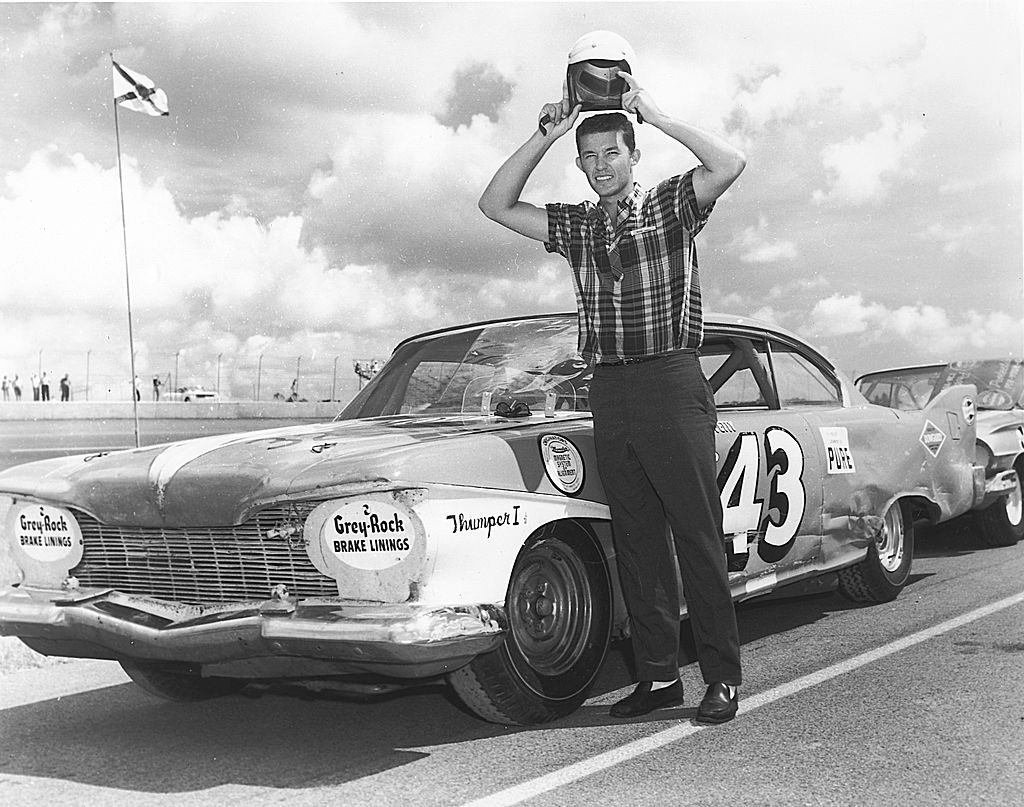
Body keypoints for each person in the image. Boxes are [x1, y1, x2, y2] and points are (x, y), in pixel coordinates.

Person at [479, 71, 746, 723]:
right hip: (612, 388)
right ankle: (658, 677)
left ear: (633, 156)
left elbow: (729, 162)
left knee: (695, 534)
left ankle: (722, 676)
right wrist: (548, 133)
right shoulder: (576, 226)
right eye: (590, 157)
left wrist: (652, 113)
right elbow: (495, 204)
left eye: (612, 153)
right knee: (636, 538)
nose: (601, 166)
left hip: (672, 380)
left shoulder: (673, 203)